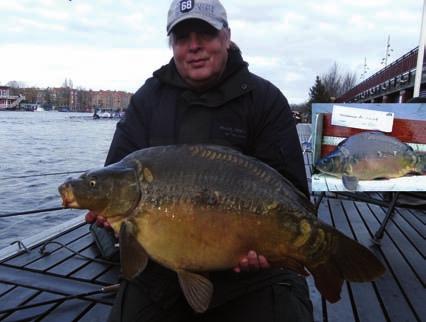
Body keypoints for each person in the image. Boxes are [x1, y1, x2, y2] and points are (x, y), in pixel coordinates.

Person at [87, 0, 314, 321]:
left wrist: (265, 248)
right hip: (162, 266)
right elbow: (117, 179)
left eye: (204, 34)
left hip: (253, 274)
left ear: (226, 37)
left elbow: (292, 192)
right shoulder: (147, 101)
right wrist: (106, 216)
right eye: (182, 38)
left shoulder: (265, 100)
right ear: (172, 46)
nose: (194, 46)